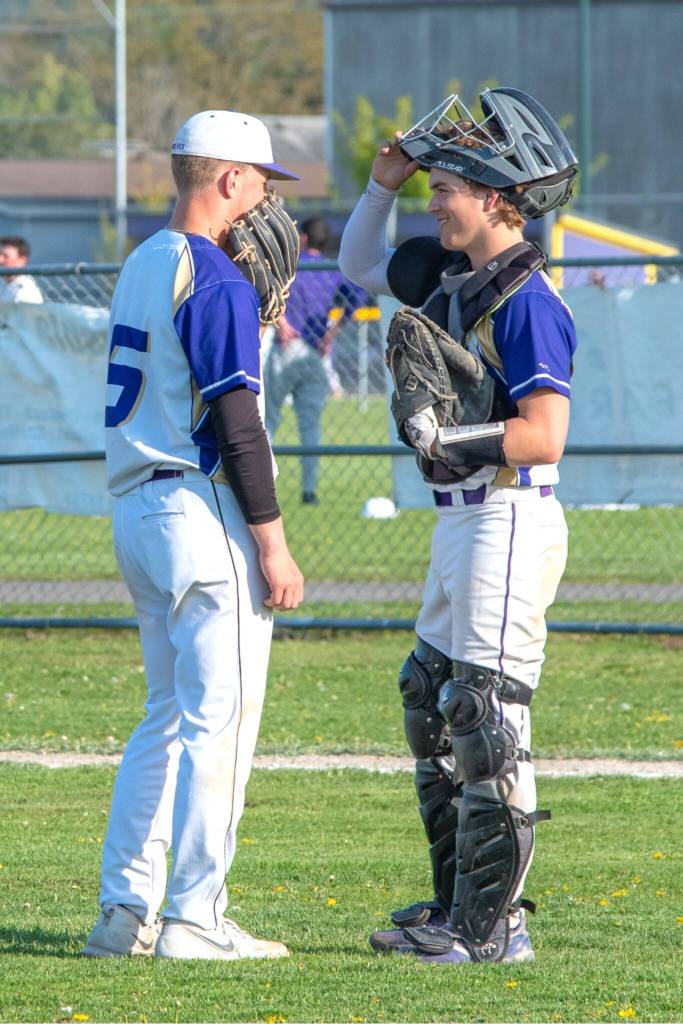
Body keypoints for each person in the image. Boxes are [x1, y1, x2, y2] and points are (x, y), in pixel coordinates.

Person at [339, 87, 578, 964]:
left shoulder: (524, 296)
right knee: (430, 702)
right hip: (462, 523)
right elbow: (359, 262)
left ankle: (493, 928)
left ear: (493, 197)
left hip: (509, 517)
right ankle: (455, 907)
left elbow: (543, 434)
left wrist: (444, 434)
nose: (431, 199)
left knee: (484, 714)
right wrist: (381, 182)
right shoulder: (452, 275)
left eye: (444, 187)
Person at [82, 109, 304, 961]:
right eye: (258, 183)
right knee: (222, 723)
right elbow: (238, 423)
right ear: (226, 180)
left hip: (136, 507)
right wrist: (274, 541)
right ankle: (194, 918)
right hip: (200, 506)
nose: (262, 204)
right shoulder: (214, 277)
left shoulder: (141, 261)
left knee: (164, 719)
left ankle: (123, 912)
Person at [265, 216, 365, 505]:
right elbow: (355, 299)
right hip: (316, 354)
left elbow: (266, 292)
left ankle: (263, 491)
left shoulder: (290, 267)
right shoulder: (332, 272)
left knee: (268, 421)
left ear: (305, 238)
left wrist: (281, 324)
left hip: (288, 348)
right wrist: (331, 333)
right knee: (310, 427)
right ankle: (309, 492)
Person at [0, 236, 44, 303]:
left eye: (6, 256)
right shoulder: (4, 283)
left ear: (22, 260)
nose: (1, 260)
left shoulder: (26, 291)